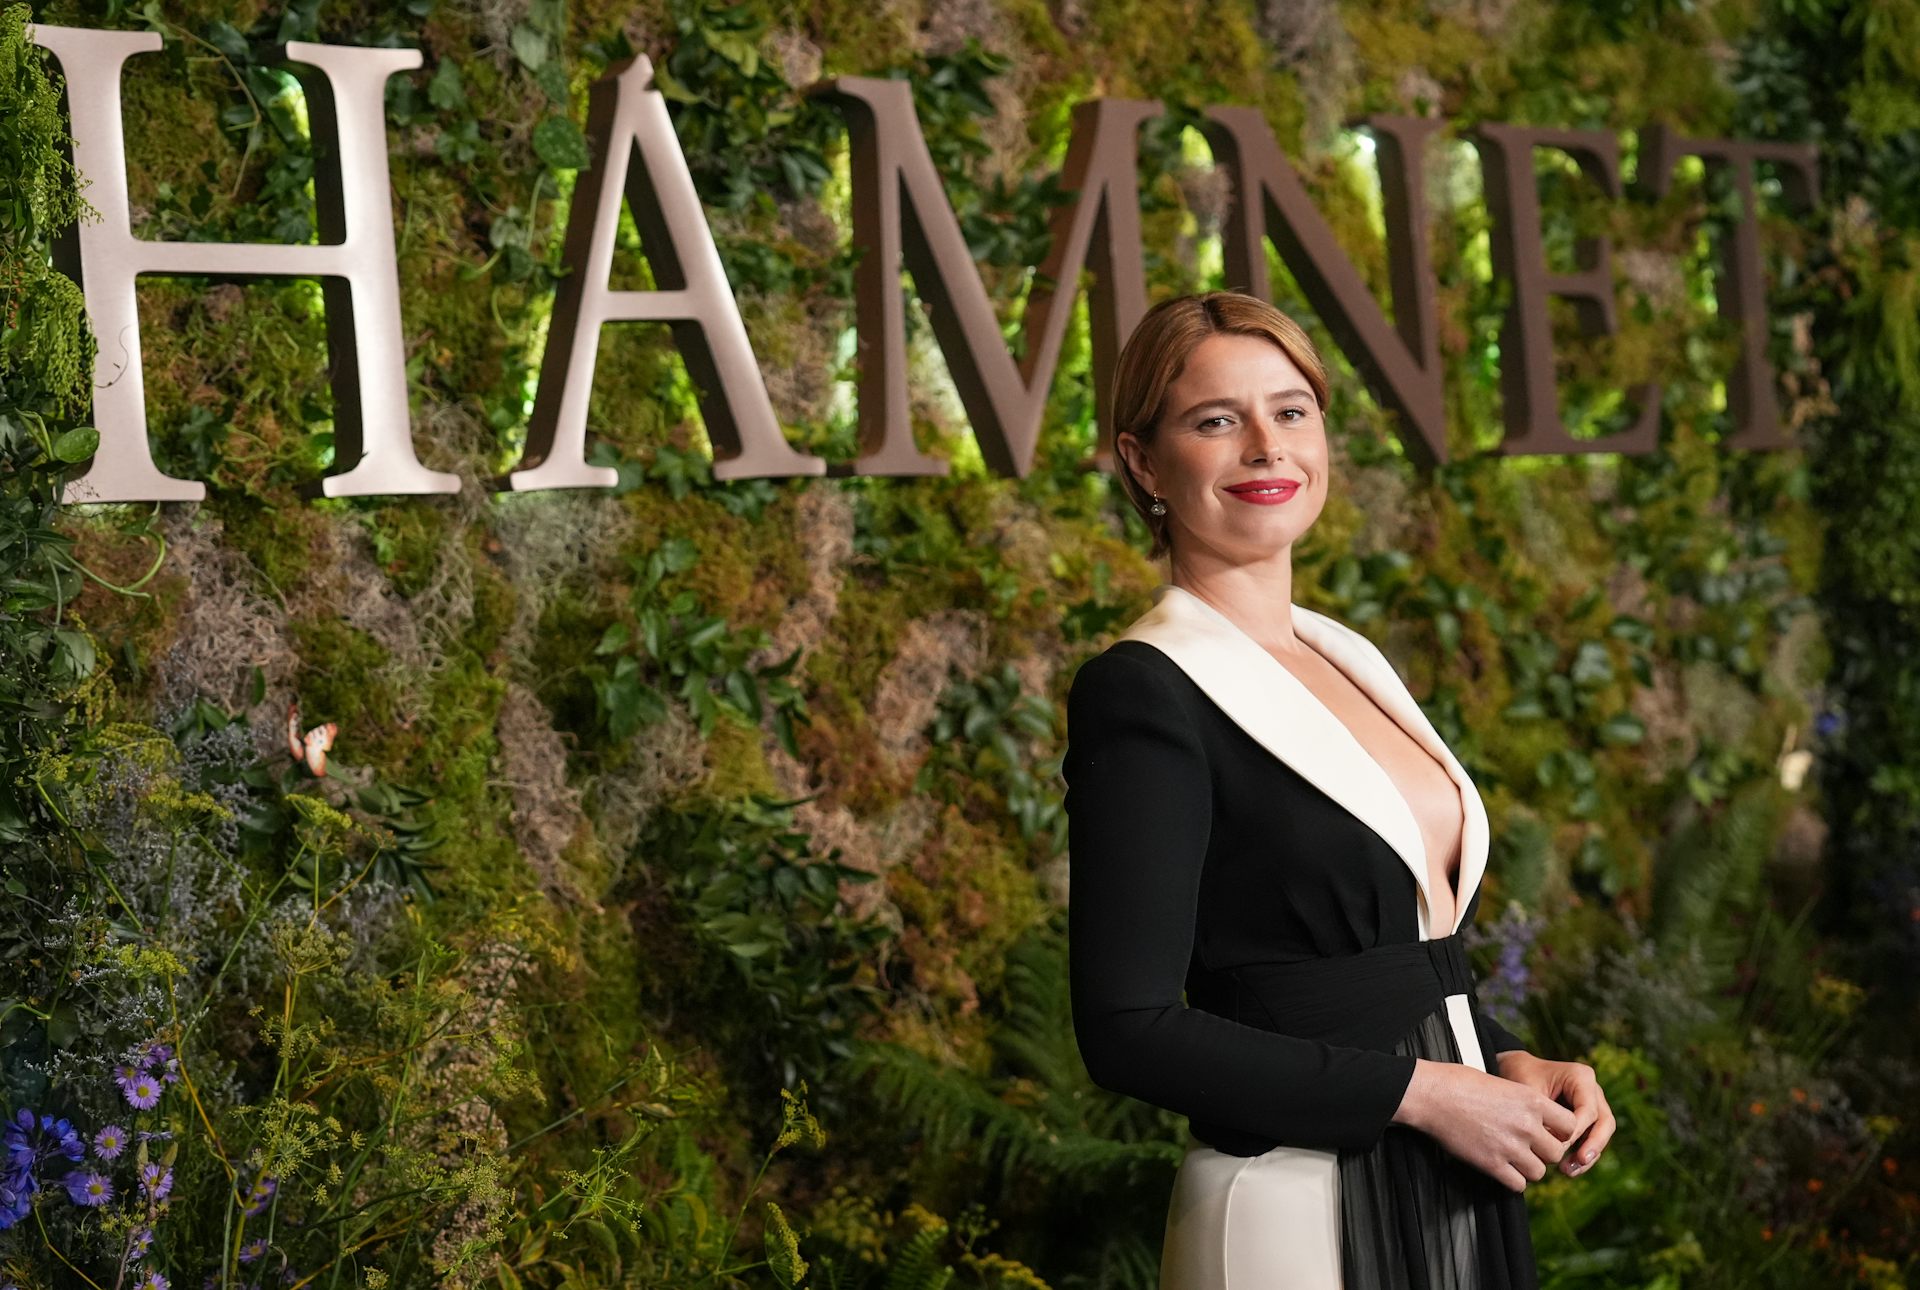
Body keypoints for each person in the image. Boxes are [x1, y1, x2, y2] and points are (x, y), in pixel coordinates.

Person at [1062, 291, 1616, 1288]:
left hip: (1454, 1187)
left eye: (1292, 410)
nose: (1267, 446)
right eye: (1216, 420)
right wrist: (1420, 1094)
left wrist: (1503, 1062)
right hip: (1293, 1210)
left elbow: (1379, 968)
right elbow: (1126, 1030)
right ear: (1143, 461)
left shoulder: (1346, 655)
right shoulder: (1142, 689)